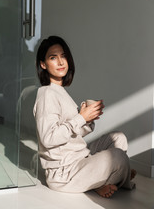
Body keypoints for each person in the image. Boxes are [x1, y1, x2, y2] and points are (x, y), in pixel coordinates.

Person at [33, 35, 136, 198]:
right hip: (64, 173)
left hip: (80, 157)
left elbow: (75, 134)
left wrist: (88, 118)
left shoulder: (61, 92)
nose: (60, 62)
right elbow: (49, 138)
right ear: (43, 64)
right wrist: (80, 118)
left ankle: (103, 180)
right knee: (119, 157)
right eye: (53, 58)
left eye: (63, 56)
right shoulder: (46, 93)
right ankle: (113, 179)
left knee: (118, 138)